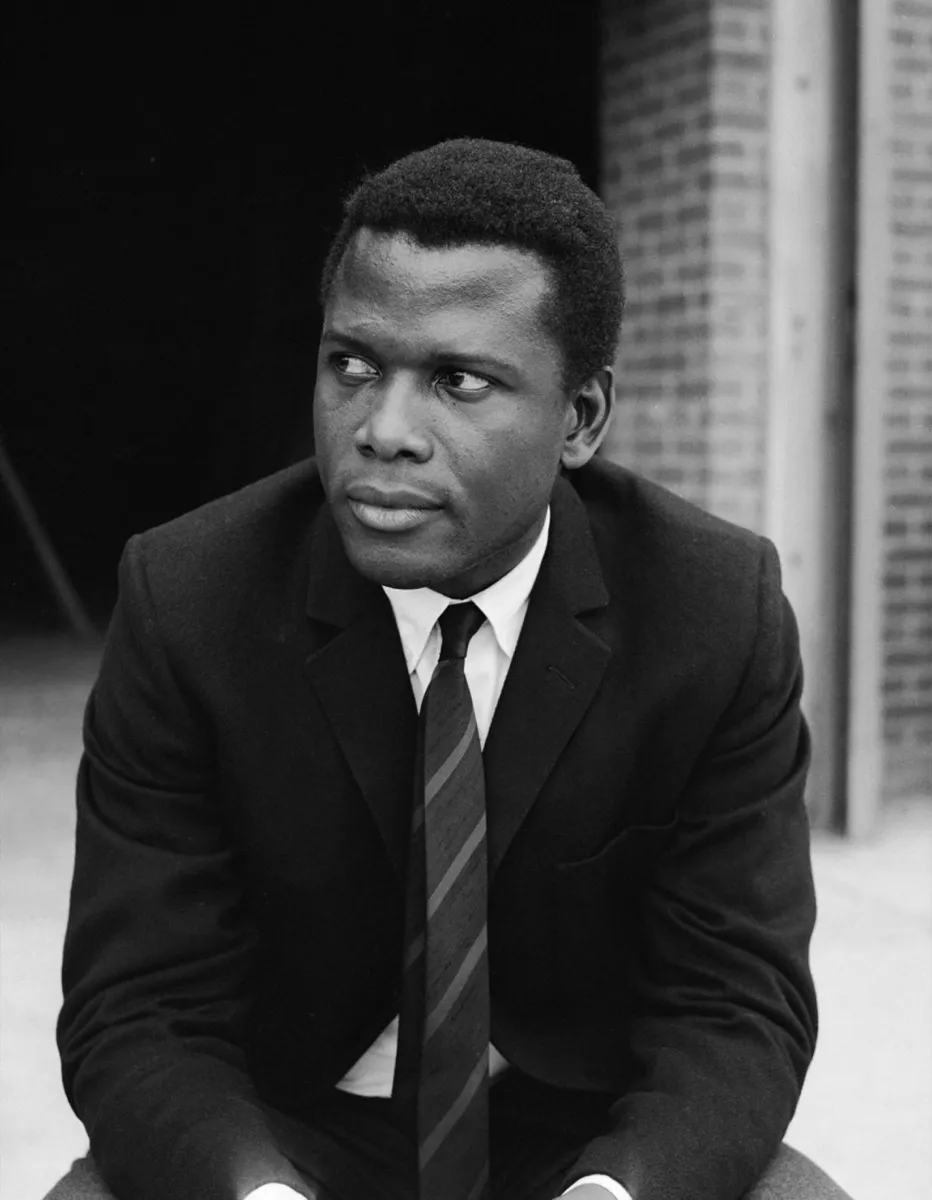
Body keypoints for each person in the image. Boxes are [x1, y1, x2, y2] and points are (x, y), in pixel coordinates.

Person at [48, 139, 851, 1200]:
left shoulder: (711, 610)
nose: (382, 432)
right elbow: (137, 1008)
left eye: (457, 380)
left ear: (580, 418)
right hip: (284, 1128)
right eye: (352, 366)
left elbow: (736, 1003)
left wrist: (616, 1193)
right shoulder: (188, 599)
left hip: (581, 1133)